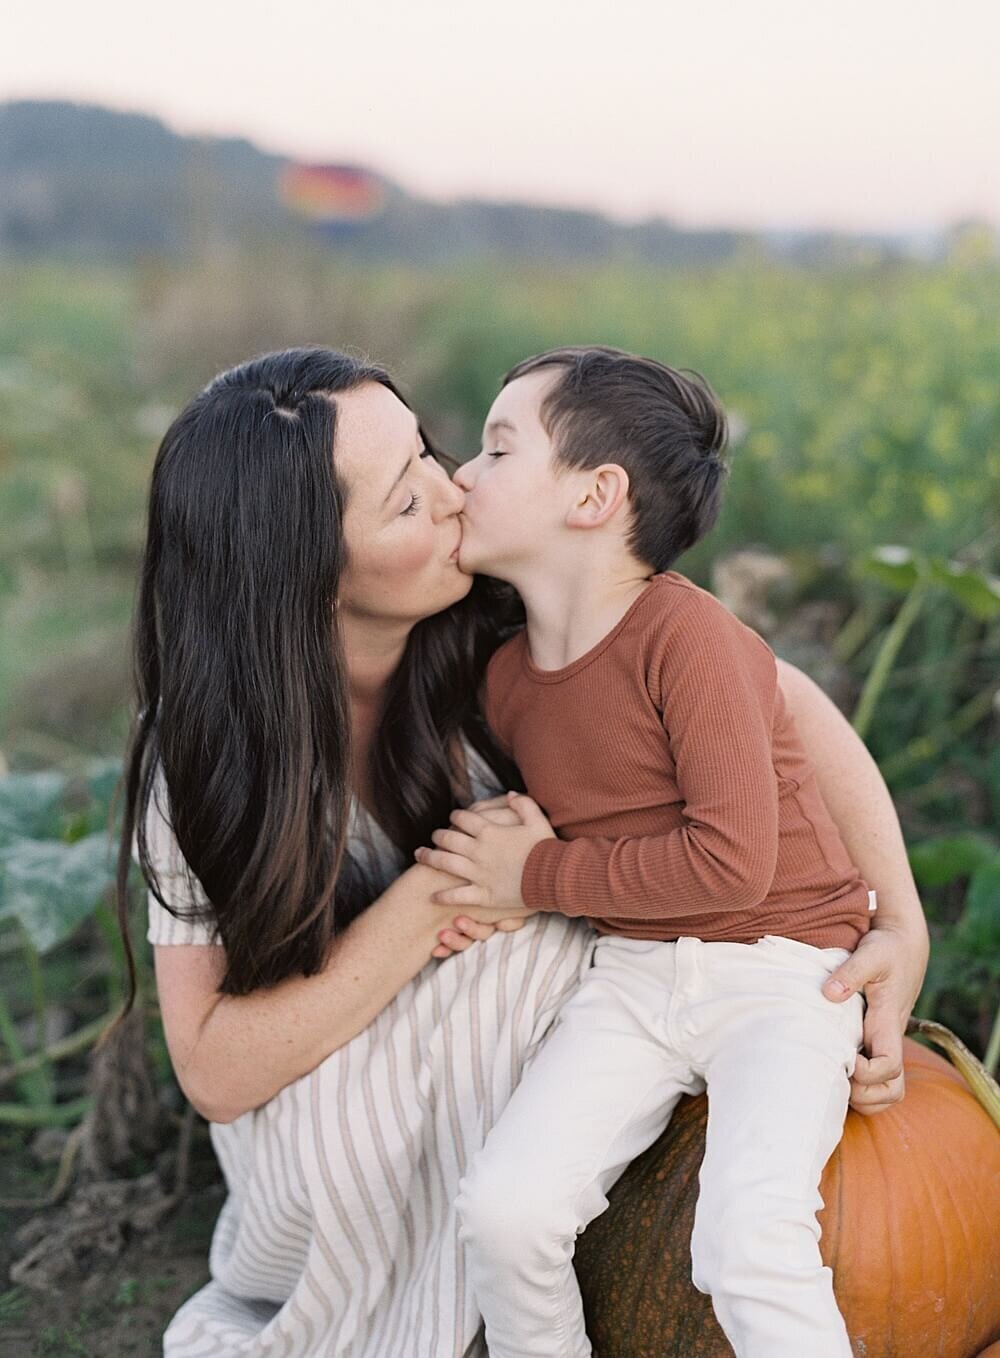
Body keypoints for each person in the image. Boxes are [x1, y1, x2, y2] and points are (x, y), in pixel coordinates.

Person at [117, 347, 928, 1357]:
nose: (453, 487)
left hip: (646, 1022)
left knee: (555, 955)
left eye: (429, 449)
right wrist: (429, 903)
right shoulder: (205, 757)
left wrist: (896, 918)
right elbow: (216, 1070)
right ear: (306, 571)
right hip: (338, 1135)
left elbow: (782, 704)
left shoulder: (512, 628)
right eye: (404, 502)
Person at [418, 345, 878, 1357]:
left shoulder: (688, 635)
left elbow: (728, 865)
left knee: (747, 1237)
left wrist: (533, 878)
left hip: (785, 970)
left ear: (593, 495)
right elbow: (548, 828)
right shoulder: (503, 679)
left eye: (498, 448)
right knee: (505, 1208)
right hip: (630, 973)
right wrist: (503, 879)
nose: (462, 472)